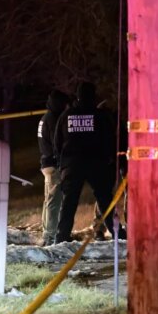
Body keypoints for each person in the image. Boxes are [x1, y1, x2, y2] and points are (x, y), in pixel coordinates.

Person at [54, 82, 125, 243]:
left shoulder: (67, 115)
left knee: (69, 203)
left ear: (77, 96)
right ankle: (117, 233)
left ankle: (61, 237)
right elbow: (110, 139)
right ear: (93, 95)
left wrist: (62, 163)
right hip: (97, 164)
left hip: (72, 165)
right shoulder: (100, 115)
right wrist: (110, 160)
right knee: (105, 201)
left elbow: (57, 142)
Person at [38, 89, 69, 246]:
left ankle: (47, 233)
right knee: (54, 201)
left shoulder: (45, 117)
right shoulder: (54, 119)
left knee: (49, 200)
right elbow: (56, 143)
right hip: (53, 164)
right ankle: (50, 236)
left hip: (46, 163)